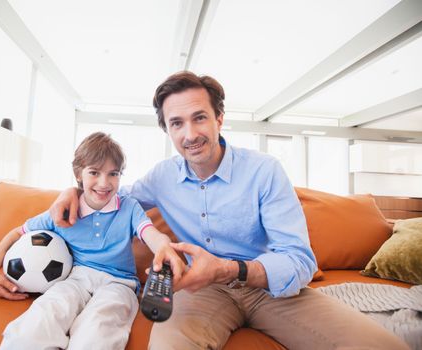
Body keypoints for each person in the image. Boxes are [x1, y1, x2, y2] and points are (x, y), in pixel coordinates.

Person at [49, 72, 409, 349]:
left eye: (199, 118)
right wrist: (73, 188)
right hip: (200, 293)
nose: (190, 134)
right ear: (168, 131)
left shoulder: (264, 171)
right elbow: (111, 196)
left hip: (270, 290)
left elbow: (300, 261)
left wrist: (227, 269)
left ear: (220, 118)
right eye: (177, 123)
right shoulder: (162, 177)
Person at [0, 132, 185, 350]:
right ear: (78, 174)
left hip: (119, 284)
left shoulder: (129, 207)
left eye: (113, 174)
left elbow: (150, 233)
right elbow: (16, 233)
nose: (104, 183)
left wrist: (163, 245)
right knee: (38, 321)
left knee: (97, 331)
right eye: (94, 173)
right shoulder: (63, 209)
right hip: (74, 280)